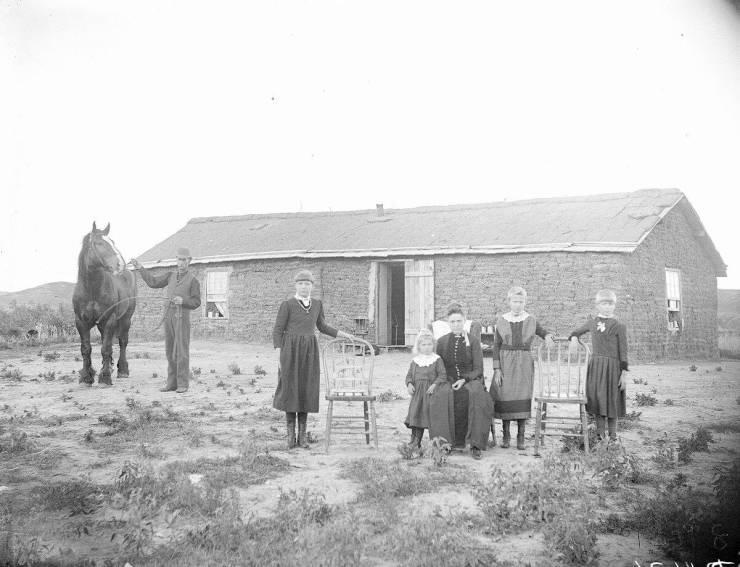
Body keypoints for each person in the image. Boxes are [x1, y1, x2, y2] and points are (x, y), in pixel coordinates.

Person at [272, 269, 355, 449]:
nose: (304, 287)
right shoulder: (287, 305)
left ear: (312, 286)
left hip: (309, 351)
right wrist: (279, 354)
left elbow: (322, 326)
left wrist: (342, 334)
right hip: (290, 351)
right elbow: (278, 330)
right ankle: (290, 438)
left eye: (307, 284)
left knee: (305, 390)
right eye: (301, 284)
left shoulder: (317, 304)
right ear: (296, 285)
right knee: (290, 390)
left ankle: (302, 437)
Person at [490, 286, 555, 450]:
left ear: (525, 302)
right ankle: (506, 435)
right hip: (505, 363)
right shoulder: (502, 320)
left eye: (521, 302)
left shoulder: (530, 319)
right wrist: (497, 369)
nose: (517, 305)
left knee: (522, 395)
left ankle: (520, 436)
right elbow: (496, 345)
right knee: (504, 395)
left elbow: (542, 331)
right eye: (514, 301)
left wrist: (547, 336)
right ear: (509, 302)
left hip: (524, 363)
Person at [130, 248, 201, 393]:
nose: (181, 263)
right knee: (169, 350)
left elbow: (196, 302)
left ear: (189, 261)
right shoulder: (170, 276)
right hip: (168, 316)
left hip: (182, 318)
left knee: (181, 351)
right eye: (179, 259)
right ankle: (172, 383)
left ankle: (182, 384)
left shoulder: (193, 281)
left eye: (184, 260)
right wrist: (140, 268)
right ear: (176, 260)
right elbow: (153, 282)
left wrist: (183, 301)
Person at [428, 303, 494, 459]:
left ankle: (475, 444)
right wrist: (447, 381)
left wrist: (464, 379)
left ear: (464, 321)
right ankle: (445, 443)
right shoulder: (442, 341)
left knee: (476, 396)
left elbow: (478, 368)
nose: (456, 324)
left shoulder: (473, 341)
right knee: (441, 396)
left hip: (470, 379)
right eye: (452, 322)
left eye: (459, 321)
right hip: (448, 380)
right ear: (448, 323)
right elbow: (438, 367)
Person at [569, 289, 629, 442]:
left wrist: (623, 373)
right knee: (598, 399)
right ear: (597, 305)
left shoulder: (619, 326)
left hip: (613, 369)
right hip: (596, 367)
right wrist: (574, 339)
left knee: (612, 400)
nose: (607, 307)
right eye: (604, 303)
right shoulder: (592, 322)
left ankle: (613, 436)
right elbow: (575, 332)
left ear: (614, 306)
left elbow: (623, 351)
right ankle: (600, 435)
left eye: (610, 304)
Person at [404, 329, 446, 448]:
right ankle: (415, 440)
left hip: (430, 394)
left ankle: (432, 442)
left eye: (429, 344)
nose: (427, 347)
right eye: (423, 345)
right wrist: (409, 384)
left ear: (433, 345)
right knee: (416, 415)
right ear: (419, 346)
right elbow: (409, 376)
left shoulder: (436, 359)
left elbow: (442, 375)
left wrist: (434, 385)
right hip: (417, 395)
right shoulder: (415, 361)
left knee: (426, 417)